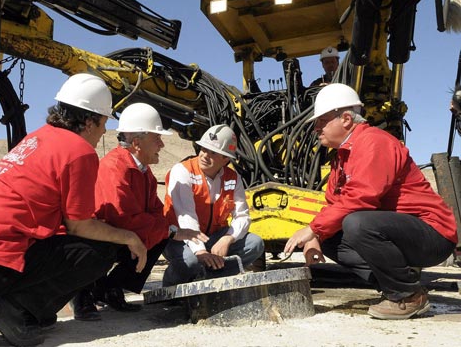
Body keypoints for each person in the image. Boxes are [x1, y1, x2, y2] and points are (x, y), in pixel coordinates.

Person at [0, 73, 147, 347]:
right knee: (100, 252)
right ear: (88, 122)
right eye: (103, 123)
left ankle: (31, 312)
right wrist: (131, 238)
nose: (104, 132)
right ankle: (12, 310)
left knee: (68, 245)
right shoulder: (79, 152)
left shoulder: (38, 138)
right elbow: (80, 226)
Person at [284, 83, 458, 320]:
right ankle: (397, 286)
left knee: (357, 222)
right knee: (330, 237)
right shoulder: (342, 157)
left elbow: (361, 197)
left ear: (346, 119)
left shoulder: (373, 142)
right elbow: (335, 203)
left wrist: (313, 229)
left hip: (433, 234)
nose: (316, 128)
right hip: (402, 232)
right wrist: (317, 236)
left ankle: (407, 296)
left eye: (321, 121)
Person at [70, 102, 209, 320]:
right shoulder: (115, 168)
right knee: (114, 244)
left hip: (124, 232)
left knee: (159, 234)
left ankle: (110, 288)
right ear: (136, 143)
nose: (161, 145)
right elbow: (120, 216)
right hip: (100, 235)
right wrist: (165, 231)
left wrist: (164, 229)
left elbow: (155, 210)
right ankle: (83, 296)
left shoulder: (144, 172)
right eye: (157, 139)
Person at [162, 124, 265, 287]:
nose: (204, 155)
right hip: (179, 237)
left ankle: (211, 280)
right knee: (191, 261)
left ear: (226, 159)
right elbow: (186, 217)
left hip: (214, 236)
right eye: (203, 149)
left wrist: (227, 239)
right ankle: (170, 287)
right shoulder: (182, 171)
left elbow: (242, 216)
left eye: (212, 153)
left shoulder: (233, 178)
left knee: (255, 244)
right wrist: (201, 251)